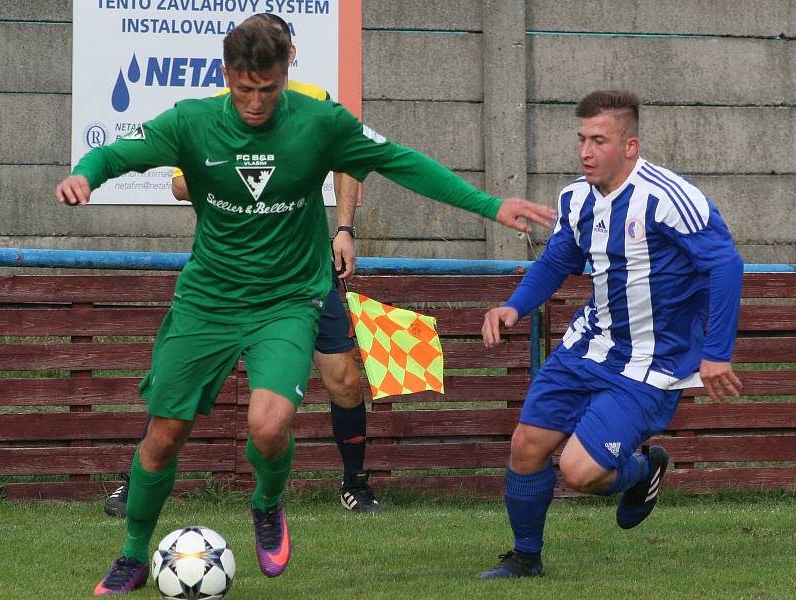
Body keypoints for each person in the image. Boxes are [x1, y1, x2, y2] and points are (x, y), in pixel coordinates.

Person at [55, 15, 556, 596]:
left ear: (287, 69)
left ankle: (267, 503)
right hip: (208, 300)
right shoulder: (191, 121)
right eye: (245, 89)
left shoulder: (321, 122)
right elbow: (120, 153)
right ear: (227, 76)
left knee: (270, 426)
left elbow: (402, 162)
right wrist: (85, 175)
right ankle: (134, 554)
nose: (256, 102)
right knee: (165, 434)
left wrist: (490, 206)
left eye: (268, 88)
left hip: (288, 299)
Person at [104, 12, 380, 520]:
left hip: (302, 275)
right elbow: (178, 183)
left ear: (289, 55)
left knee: (342, 378)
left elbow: (352, 160)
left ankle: (355, 483)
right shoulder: (211, 114)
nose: (256, 98)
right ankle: (134, 483)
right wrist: (238, 173)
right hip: (227, 282)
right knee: (174, 389)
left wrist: (344, 229)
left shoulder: (316, 104)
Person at [478, 90, 744, 579]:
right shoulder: (575, 197)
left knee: (578, 473)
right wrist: (514, 307)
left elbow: (726, 264)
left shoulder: (667, 198)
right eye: (581, 139)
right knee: (526, 446)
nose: (585, 152)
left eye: (598, 141)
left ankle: (644, 471)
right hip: (587, 347)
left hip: (650, 364)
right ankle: (526, 558)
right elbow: (559, 258)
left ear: (630, 146)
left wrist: (716, 353)